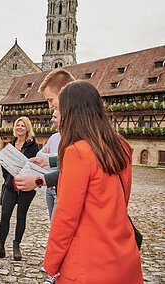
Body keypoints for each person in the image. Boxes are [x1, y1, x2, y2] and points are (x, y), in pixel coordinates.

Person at [43, 80, 143, 283]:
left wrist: (51, 263)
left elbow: (65, 217)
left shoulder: (78, 152)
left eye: (60, 109)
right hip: (124, 256)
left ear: (72, 112)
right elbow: (122, 200)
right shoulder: (121, 145)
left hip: (89, 262)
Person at [0, 117, 39, 261]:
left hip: (26, 188)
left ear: (27, 129)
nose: (20, 128)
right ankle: (0, 247)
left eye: (23, 126)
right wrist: (8, 180)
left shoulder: (33, 146)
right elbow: (4, 165)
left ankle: (16, 246)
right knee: (5, 216)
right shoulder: (9, 145)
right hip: (10, 187)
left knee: (21, 217)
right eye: (18, 125)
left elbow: (36, 166)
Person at [15, 68, 74, 191]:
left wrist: (39, 180)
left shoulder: (79, 127)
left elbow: (75, 169)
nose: (50, 106)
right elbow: (71, 161)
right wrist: (46, 161)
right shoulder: (73, 125)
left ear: (63, 93)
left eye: (50, 99)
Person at [37, 110, 61, 222]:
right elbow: (39, 155)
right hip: (49, 188)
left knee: (56, 224)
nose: (52, 120)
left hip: (59, 187)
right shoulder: (54, 137)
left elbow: (66, 158)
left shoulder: (71, 138)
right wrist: (53, 156)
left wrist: (48, 157)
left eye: (55, 117)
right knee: (52, 223)